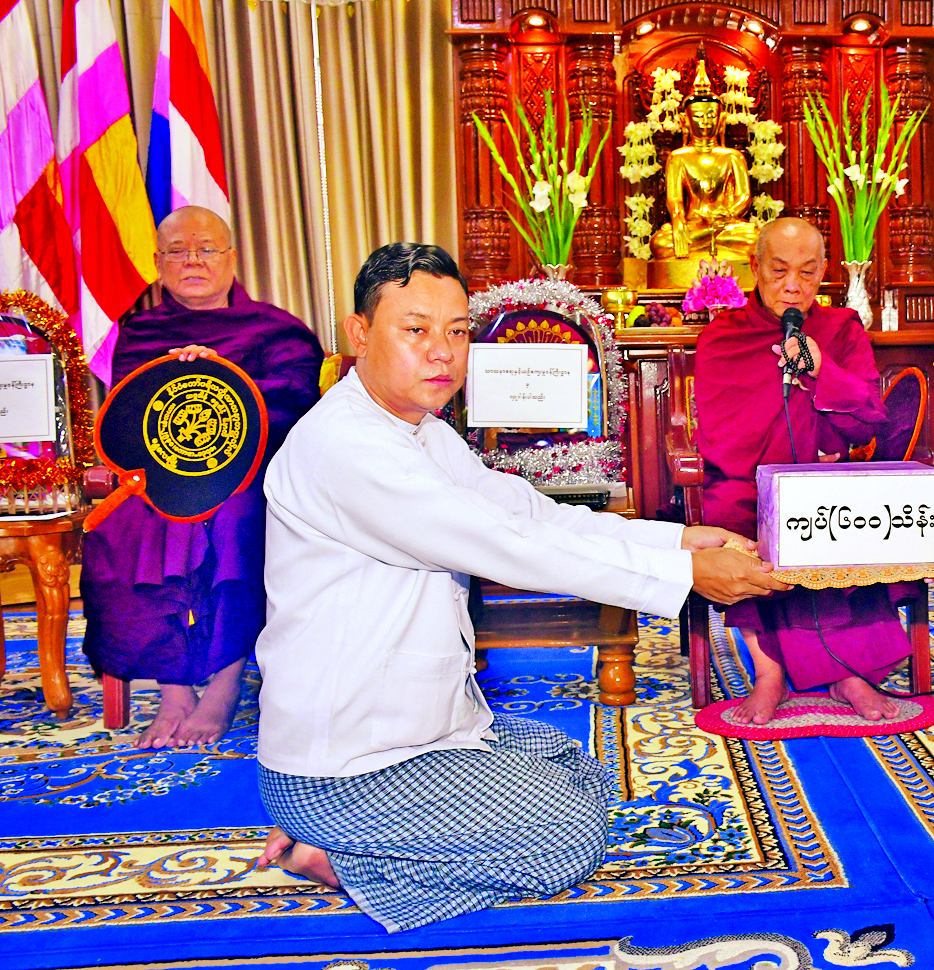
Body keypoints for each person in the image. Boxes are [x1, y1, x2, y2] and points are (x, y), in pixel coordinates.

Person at [255, 243, 785, 933]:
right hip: (349, 764)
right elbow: (513, 547)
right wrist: (687, 579)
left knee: (577, 768)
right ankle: (341, 853)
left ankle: (363, 836)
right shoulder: (345, 447)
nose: (442, 352)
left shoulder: (420, 431)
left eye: (456, 332)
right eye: (415, 330)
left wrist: (678, 540)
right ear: (360, 333)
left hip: (432, 730)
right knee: (569, 836)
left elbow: (531, 515)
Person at [80, 206, 323, 748]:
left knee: (231, 518)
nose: (193, 260)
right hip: (159, 476)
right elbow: (126, 422)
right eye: (178, 251)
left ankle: (224, 684)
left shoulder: (274, 329)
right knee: (126, 525)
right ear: (158, 263)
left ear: (232, 257)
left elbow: (298, 402)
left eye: (207, 248)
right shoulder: (140, 332)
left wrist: (222, 377)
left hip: (248, 476)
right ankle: (173, 688)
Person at [695, 217, 916, 725]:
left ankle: (849, 672)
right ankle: (769, 672)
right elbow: (722, 434)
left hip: (823, 484)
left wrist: (821, 372)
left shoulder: (842, 330)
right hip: (748, 482)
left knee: (845, 522)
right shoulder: (723, 337)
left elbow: (869, 418)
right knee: (737, 520)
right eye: (778, 271)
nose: (793, 285)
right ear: (754, 268)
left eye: (808, 272)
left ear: (823, 274)